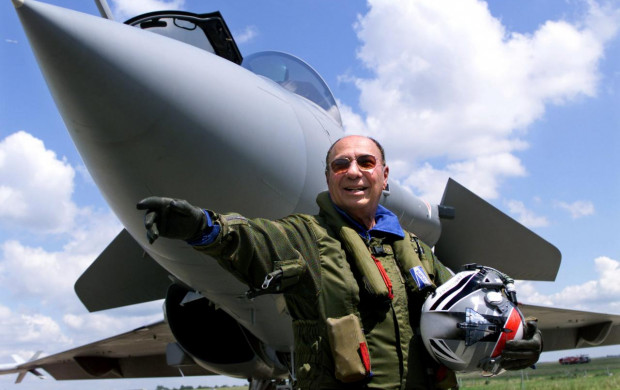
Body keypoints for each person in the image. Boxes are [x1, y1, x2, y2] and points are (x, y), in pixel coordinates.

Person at [137, 135, 542, 389]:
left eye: (365, 162)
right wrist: (202, 227)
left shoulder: (417, 251)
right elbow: (252, 242)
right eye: (340, 164)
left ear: (384, 175)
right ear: (329, 178)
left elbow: (470, 314)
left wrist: (519, 339)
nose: (354, 171)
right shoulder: (305, 237)